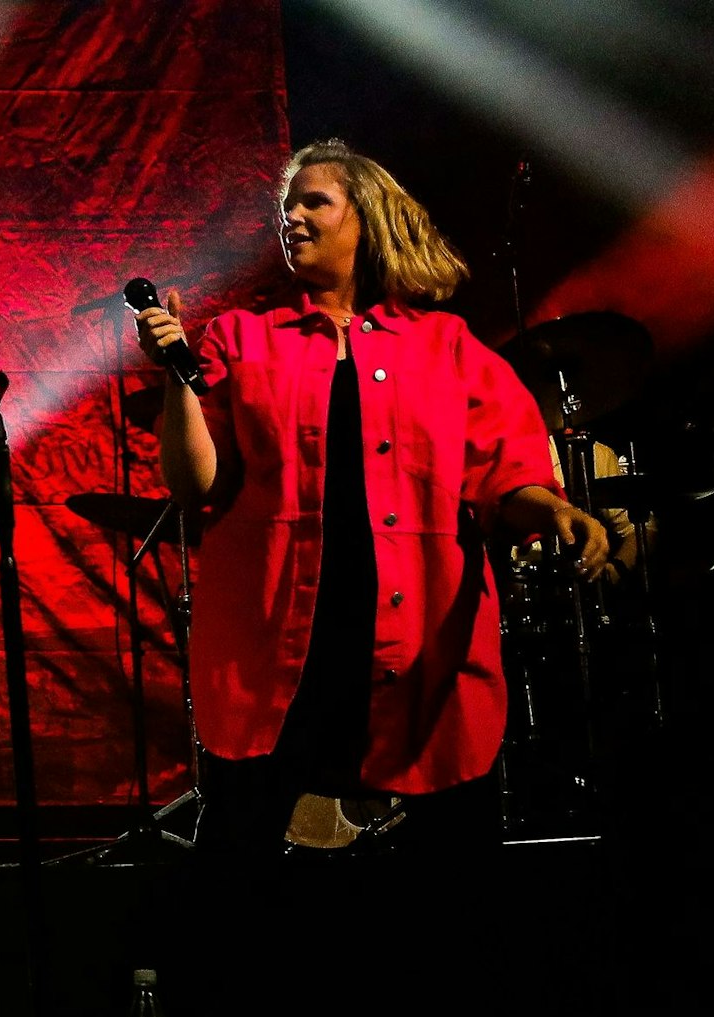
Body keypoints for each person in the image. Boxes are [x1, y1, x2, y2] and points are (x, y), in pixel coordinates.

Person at [132, 139, 612, 854]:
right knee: (239, 852)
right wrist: (177, 377)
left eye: (312, 201)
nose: (290, 217)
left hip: (422, 645)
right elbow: (193, 481)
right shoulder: (241, 338)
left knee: (455, 853)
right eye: (285, 206)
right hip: (280, 647)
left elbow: (509, 477)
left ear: (369, 218)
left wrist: (560, 512)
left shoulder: (448, 348)